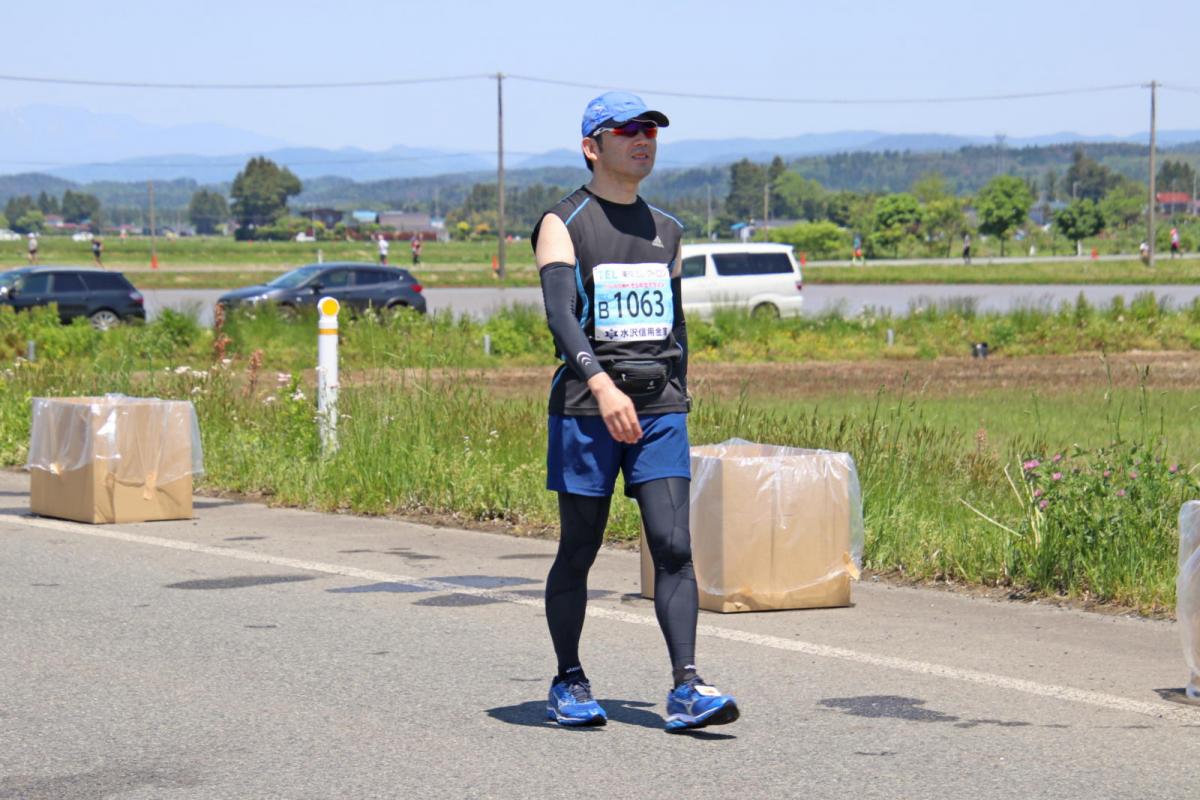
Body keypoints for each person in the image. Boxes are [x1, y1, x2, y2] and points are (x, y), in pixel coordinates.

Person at [531, 91, 739, 732]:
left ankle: (686, 687)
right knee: (581, 546)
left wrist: (679, 391)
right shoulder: (563, 222)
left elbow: (675, 324)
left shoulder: (668, 230)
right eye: (626, 131)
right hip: (588, 408)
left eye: (650, 130)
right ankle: (568, 679)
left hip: (658, 409)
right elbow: (562, 318)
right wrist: (601, 386)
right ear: (592, 146)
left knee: (674, 544)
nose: (642, 139)